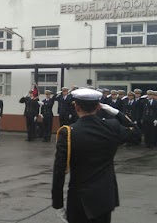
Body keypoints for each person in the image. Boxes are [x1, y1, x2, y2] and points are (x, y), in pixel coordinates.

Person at [52, 88, 141, 223]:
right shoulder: (112, 126)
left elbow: (59, 171)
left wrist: (58, 204)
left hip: (79, 198)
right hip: (105, 196)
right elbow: (136, 134)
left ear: (76, 106)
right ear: (99, 107)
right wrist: (117, 113)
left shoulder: (68, 132)